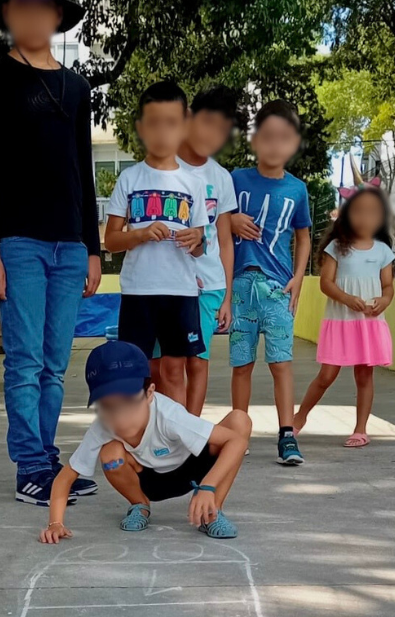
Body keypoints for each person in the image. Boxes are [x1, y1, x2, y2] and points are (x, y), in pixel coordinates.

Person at [0, 0, 103, 507]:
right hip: (19, 243)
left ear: (56, 15)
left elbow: (83, 172)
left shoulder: (77, 87)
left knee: (54, 363)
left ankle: (47, 457)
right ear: (7, 13)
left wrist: (92, 249)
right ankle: (29, 464)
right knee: (24, 361)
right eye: (18, 6)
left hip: (70, 246)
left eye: (39, 6)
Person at [39, 341, 251, 543]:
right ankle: (139, 505)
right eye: (107, 406)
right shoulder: (103, 426)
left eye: (128, 403)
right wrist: (55, 523)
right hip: (149, 481)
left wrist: (208, 487)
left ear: (150, 393)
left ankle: (211, 513)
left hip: (193, 469)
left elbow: (236, 442)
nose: (119, 415)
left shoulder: (170, 415)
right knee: (110, 452)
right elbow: (64, 478)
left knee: (239, 421)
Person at [104, 81, 209, 409]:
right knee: (139, 370)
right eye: (154, 123)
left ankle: (175, 444)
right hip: (138, 291)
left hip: (180, 291)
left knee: (174, 369)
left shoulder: (193, 183)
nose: (163, 132)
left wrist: (196, 241)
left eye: (172, 122)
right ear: (141, 128)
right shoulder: (130, 179)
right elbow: (110, 240)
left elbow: (201, 244)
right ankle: (141, 439)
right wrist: (140, 233)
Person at [228, 101, 312, 466]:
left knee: (281, 364)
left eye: (284, 138)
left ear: (294, 143)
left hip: (278, 290)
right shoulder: (236, 179)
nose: (275, 145)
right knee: (241, 364)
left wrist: (299, 278)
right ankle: (238, 431)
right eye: (267, 136)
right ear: (254, 140)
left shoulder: (297, 190)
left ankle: (287, 436)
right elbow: (218, 219)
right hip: (240, 287)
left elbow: (305, 235)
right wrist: (231, 222)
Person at [294, 181, 395, 448]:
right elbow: (326, 283)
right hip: (340, 322)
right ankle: (299, 418)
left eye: (373, 212)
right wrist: (347, 299)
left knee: (364, 376)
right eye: (359, 211)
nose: (366, 218)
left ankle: (360, 429)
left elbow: (388, 287)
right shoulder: (337, 247)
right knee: (326, 375)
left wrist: (383, 301)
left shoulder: (383, 251)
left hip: (368, 324)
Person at [170, 85, 241, 416]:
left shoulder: (221, 177)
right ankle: (168, 431)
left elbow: (225, 240)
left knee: (197, 362)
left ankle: (190, 435)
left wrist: (226, 296)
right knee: (165, 366)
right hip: (167, 284)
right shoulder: (163, 166)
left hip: (208, 287)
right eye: (208, 122)